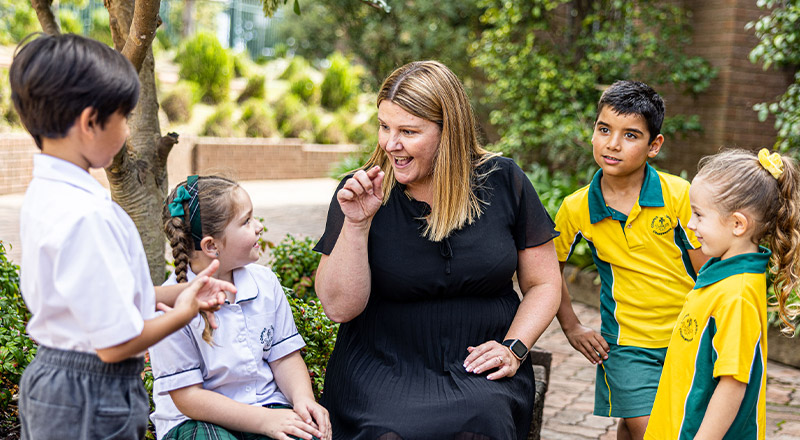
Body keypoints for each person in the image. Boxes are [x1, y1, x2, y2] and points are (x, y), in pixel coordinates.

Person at [312, 60, 562, 440]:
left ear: (450, 132)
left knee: (481, 425)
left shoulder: (503, 181)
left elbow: (544, 283)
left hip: (478, 366)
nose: (390, 144)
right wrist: (357, 224)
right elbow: (339, 307)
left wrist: (514, 347)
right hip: (384, 365)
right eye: (384, 127)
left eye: (408, 131)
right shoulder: (362, 191)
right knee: (388, 433)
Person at [11, 33, 232, 440]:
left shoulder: (48, 194)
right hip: (91, 394)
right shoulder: (87, 215)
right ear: (90, 122)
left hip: (58, 381)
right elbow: (115, 344)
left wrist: (174, 295)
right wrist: (182, 314)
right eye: (123, 118)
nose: (128, 130)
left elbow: (94, 301)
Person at [552, 80, 708, 440]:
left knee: (644, 426)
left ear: (654, 145)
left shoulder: (679, 195)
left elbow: (706, 272)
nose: (613, 144)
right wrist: (572, 326)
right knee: (654, 432)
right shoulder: (576, 208)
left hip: (686, 338)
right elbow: (548, 272)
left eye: (631, 135)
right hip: (626, 345)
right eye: (604, 129)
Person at [149, 175, 331, 440]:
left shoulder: (265, 282)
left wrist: (303, 399)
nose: (258, 227)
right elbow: (188, 397)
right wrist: (264, 421)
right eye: (246, 221)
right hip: (195, 420)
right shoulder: (170, 305)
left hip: (266, 405)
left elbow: (284, 357)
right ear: (211, 246)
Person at [644, 149, 800, 440]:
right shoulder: (721, 275)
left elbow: (732, 385)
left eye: (699, 215)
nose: (691, 224)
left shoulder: (736, 295)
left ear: (738, 224)